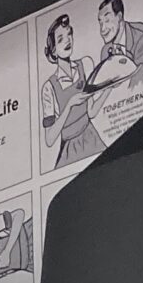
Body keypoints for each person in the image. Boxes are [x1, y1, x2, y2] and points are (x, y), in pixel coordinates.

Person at [40, 16, 102, 169]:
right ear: (54, 50)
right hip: (69, 148)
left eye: (69, 34)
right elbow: (49, 139)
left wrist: (110, 87)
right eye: (60, 39)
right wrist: (69, 105)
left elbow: (92, 111)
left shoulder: (85, 64)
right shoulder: (49, 87)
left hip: (91, 137)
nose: (68, 40)